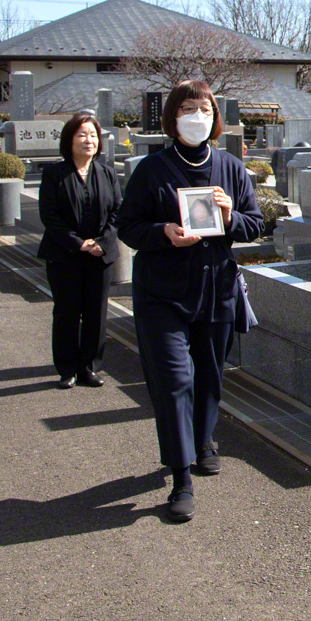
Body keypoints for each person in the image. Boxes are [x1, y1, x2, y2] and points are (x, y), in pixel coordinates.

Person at [115, 80, 264, 523]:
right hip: (163, 293)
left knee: (211, 375)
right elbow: (127, 225)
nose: (196, 115)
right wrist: (162, 233)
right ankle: (181, 476)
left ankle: (203, 441)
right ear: (173, 116)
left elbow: (254, 224)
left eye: (204, 108)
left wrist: (228, 215)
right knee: (174, 380)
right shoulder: (151, 169)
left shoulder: (231, 168)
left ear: (214, 116)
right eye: (187, 107)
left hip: (216, 288)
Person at [36, 113, 122, 390]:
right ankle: (67, 369)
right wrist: (78, 243)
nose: (89, 140)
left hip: (100, 255)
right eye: (82, 135)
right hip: (65, 255)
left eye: (93, 135)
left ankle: (90, 367)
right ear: (69, 140)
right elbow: (49, 215)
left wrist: (102, 242)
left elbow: (117, 212)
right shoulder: (54, 174)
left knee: (97, 312)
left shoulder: (107, 172)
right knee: (67, 312)